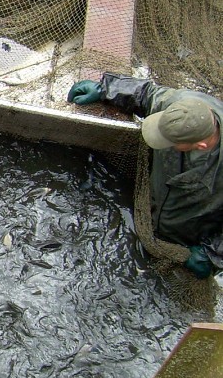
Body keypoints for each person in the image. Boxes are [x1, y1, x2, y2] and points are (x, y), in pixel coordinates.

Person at [68, 73, 223, 279]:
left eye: (170, 141)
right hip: (154, 205)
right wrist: (105, 88)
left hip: (190, 235)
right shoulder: (180, 106)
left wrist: (212, 254)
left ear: (201, 145)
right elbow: (146, 94)